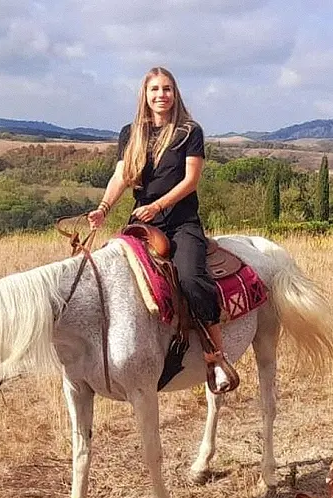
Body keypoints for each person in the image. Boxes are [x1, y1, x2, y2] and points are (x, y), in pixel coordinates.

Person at [88, 66, 235, 393]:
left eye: (166, 89)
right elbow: (121, 177)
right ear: (145, 94)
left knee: (190, 278)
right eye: (155, 89)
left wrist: (158, 205)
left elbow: (190, 180)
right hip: (142, 224)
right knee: (108, 275)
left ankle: (216, 355)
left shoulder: (188, 131)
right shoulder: (131, 133)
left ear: (175, 93)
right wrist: (103, 208)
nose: (161, 95)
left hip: (181, 222)